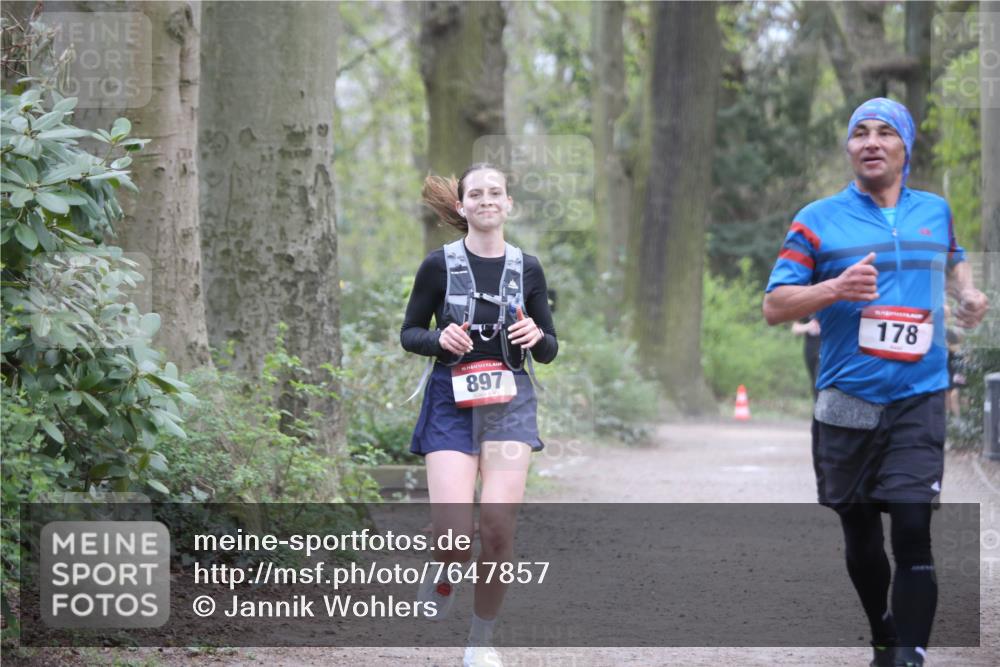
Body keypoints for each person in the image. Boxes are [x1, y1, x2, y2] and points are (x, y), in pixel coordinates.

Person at [762, 98, 989, 667]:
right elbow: (773, 306)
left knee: (913, 527)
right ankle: (884, 630)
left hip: (920, 394)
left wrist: (968, 293)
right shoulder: (816, 218)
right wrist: (834, 289)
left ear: (904, 147)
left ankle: (908, 654)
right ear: (849, 149)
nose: (870, 142)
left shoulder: (934, 210)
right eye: (859, 133)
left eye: (885, 133)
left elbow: (954, 253)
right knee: (861, 534)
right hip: (847, 399)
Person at [400, 163, 558, 667]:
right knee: (452, 538)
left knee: (496, 529)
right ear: (462, 206)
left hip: (509, 403)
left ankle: (480, 641)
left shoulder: (527, 267)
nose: (487, 200)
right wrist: (438, 338)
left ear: (509, 204)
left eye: (496, 192)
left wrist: (537, 336)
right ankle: (444, 571)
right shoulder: (438, 265)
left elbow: (550, 347)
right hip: (450, 400)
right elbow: (409, 332)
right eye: (477, 193)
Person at [791, 316, 822, 398]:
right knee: (814, 381)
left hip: (825, 347)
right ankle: (816, 405)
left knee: (819, 378)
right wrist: (809, 326)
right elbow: (795, 328)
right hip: (810, 348)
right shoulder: (805, 306)